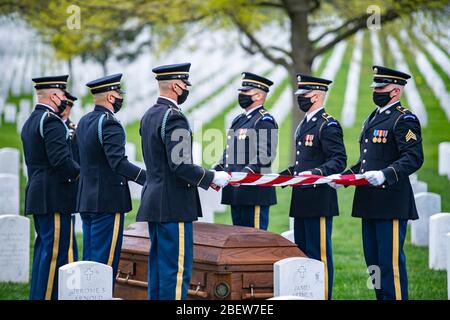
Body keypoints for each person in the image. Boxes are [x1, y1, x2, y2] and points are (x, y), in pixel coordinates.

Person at [137, 63, 231, 300]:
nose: (187, 89)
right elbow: (180, 165)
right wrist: (212, 177)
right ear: (177, 86)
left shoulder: (149, 115)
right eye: (185, 84)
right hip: (173, 205)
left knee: (158, 269)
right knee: (176, 272)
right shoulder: (174, 118)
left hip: (154, 201)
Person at [332, 66, 424, 300]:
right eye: (376, 87)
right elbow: (366, 161)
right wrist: (345, 177)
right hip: (369, 202)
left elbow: (413, 157)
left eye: (381, 88)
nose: (376, 91)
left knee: (389, 264)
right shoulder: (373, 117)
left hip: (390, 201)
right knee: (373, 263)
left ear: (395, 91)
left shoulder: (404, 119)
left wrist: (386, 173)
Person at [279, 74, 347, 300]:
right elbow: (304, 161)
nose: (300, 99)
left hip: (319, 199)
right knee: (303, 253)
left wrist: (315, 173)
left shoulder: (327, 124)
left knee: (319, 256)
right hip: (301, 198)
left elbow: (338, 159)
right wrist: (288, 174)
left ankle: (323, 295)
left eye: (304, 95)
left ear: (316, 96)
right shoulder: (305, 123)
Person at [76, 74, 146, 281]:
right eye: (118, 94)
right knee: (103, 265)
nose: (120, 98)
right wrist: (148, 178)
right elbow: (119, 163)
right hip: (107, 201)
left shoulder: (84, 121)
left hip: (86, 199)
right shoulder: (109, 124)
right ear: (110, 97)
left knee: (89, 260)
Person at [21, 75, 80, 300]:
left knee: (44, 253)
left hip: (41, 195)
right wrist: (81, 177)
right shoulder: (51, 120)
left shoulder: (33, 119)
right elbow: (60, 161)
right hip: (54, 195)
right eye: (63, 94)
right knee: (55, 255)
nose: (65, 98)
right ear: (54, 95)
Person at [214, 72, 278, 230]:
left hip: (253, 191)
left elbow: (265, 154)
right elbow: (230, 150)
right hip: (236, 191)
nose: (241, 95)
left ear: (257, 95)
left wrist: (244, 174)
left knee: (254, 241)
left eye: (245, 92)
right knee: (239, 241)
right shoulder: (239, 119)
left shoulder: (264, 120)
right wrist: (217, 170)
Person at [60, 91, 80, 262]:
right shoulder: (50, 125)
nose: (66, 109)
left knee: (69, 235)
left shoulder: (75, 130)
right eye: (64, 105)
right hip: (58, 182)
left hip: (71, 182)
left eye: (69, 106)